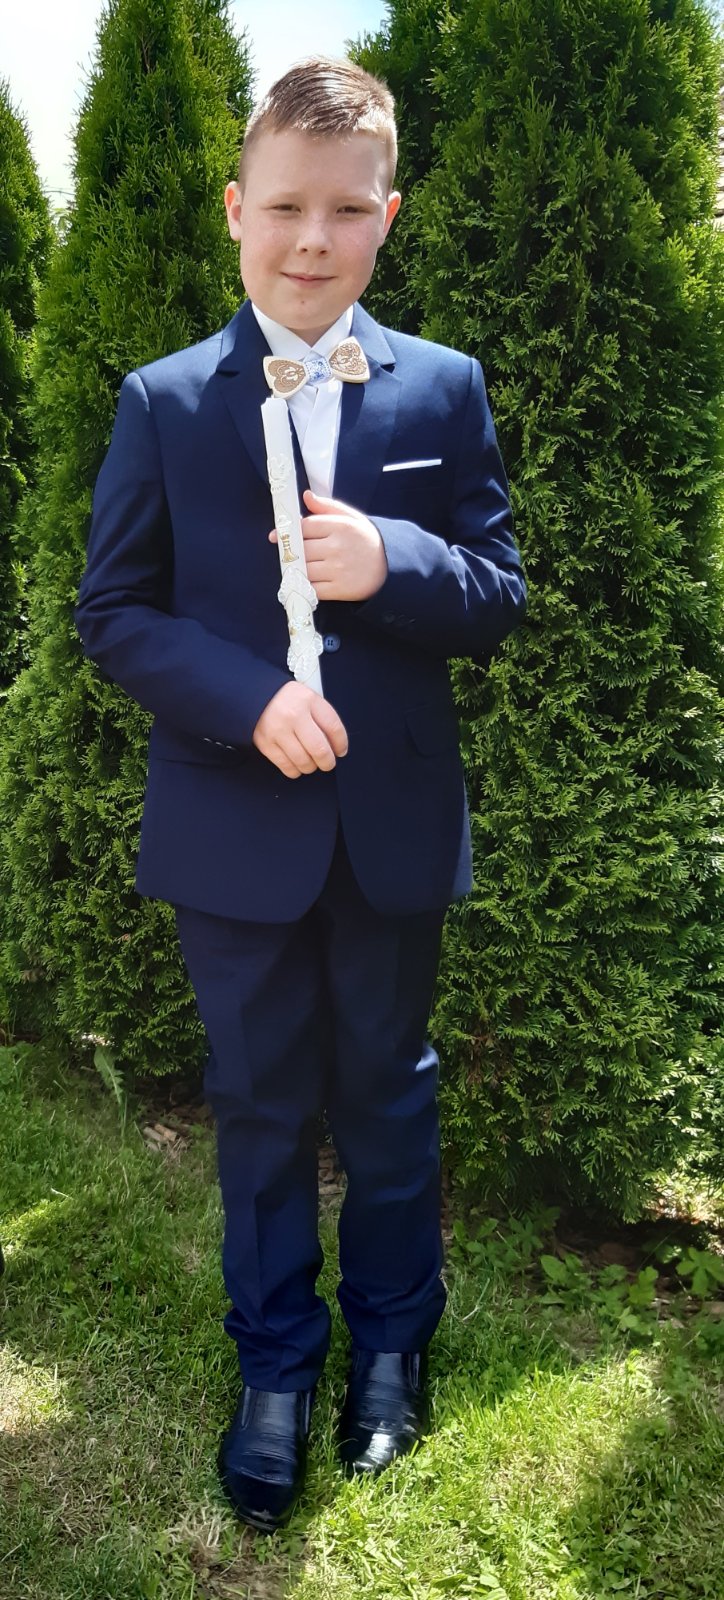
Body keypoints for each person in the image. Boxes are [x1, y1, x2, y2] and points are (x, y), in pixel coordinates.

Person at [75, 56, 526, 1534]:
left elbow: (499, 592)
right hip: (232, 827)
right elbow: (114, 612)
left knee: (390, 1095)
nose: (312, 241)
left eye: (345, 210)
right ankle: (274, 1364)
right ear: (236, 210)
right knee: (260, 1103)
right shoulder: (162, 402)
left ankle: (391, 1348)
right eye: (284, 208)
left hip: (389, 827)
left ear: (387, 216)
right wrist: (248, 697)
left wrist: (394, 560)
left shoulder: (445, 389)